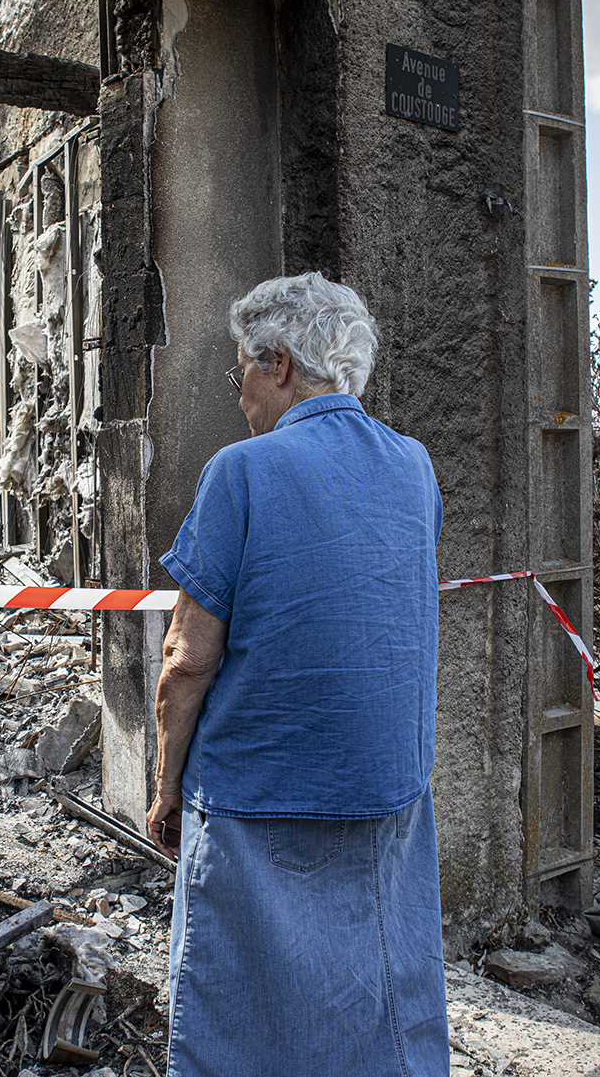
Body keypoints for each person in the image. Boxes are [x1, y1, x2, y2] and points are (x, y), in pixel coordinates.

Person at [146, 272, 449, 1076]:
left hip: (261, 795)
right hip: (392, 791)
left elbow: (188, 657)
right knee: (379, 1007)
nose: (237, 391)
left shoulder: (241, 472)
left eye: (239, 369)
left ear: (277, 362)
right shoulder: (414, 465)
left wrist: (166, 783)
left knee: (241, 1023)